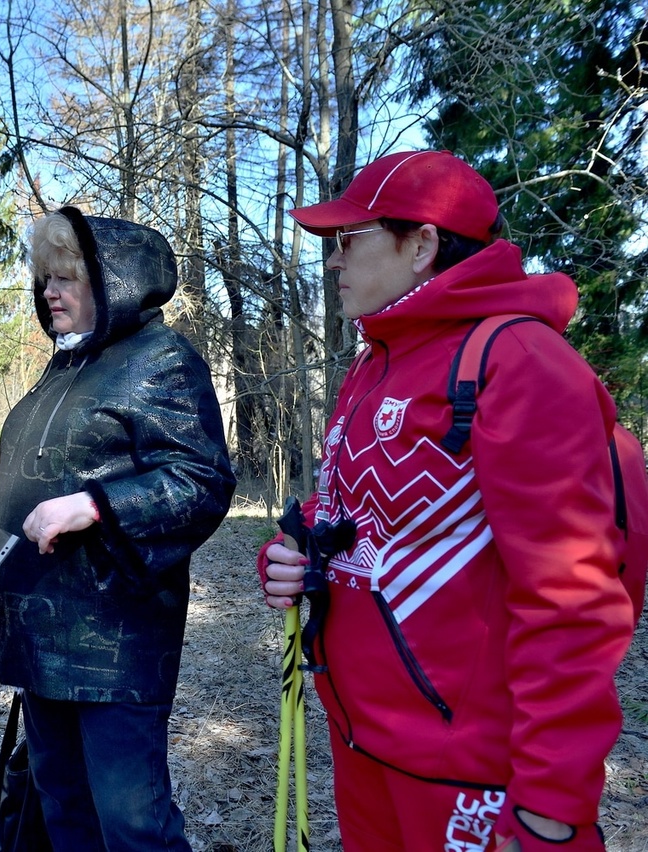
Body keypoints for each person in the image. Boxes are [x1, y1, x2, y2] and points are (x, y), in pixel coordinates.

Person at [259, 150, 635, 851]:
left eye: (349, 240)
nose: (334, 263)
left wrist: (550, 808)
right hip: (365, 749)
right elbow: (362, 511)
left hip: (474, 781)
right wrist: (293, 551)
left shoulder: (521, 362)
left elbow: (575, 601)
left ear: (422, 244)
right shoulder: (375, 364)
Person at [0, 206, 236, 851]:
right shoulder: (62, 369)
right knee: (62, 805)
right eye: (45, 279)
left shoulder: (163, 359)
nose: (49, 292)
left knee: (133, 823)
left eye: (66, 278)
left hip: (116, 638)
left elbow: (201, 481)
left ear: (114, 281)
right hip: (40, 633)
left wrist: (94, 504)